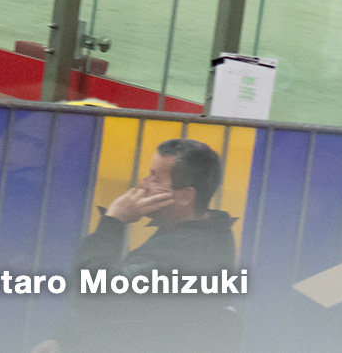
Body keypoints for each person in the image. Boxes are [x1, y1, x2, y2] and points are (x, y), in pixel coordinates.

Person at [31, 138, 239, 353]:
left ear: (185, 196)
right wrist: (64, 343)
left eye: (155, 178)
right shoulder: (207, 230)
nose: (143, 184)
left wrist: (113, 222)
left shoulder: (185, 250)